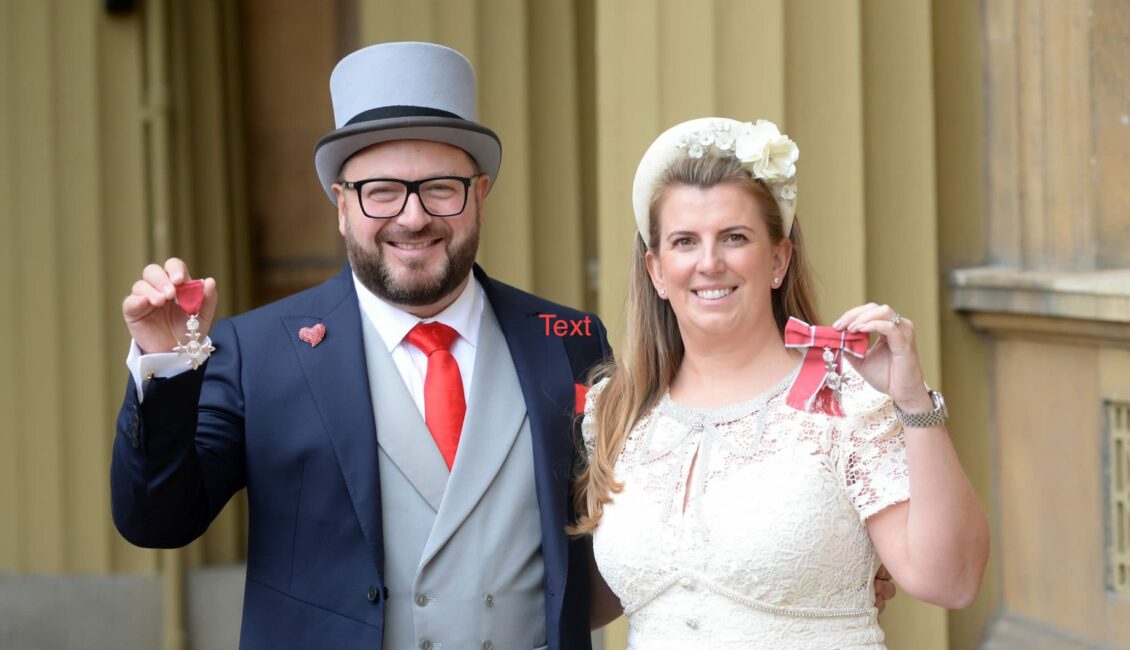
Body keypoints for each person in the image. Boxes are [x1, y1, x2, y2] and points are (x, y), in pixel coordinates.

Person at [112, 42, 611, 649]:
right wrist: (165, 370)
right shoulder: (256, 351)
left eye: (441, 189)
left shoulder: (569, 340)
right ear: (341, 204)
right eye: (381, 191)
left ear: (479, 196)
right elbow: (157, 521)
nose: (412, 216)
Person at [572, 117, 989, 648]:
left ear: (778, 259)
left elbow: (951, 581)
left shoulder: (845, 396)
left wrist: (912, 401)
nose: (709, 262)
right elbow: (587, 598)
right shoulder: (614, 411)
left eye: (734, 237)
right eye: (684, 241)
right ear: (656, 271)